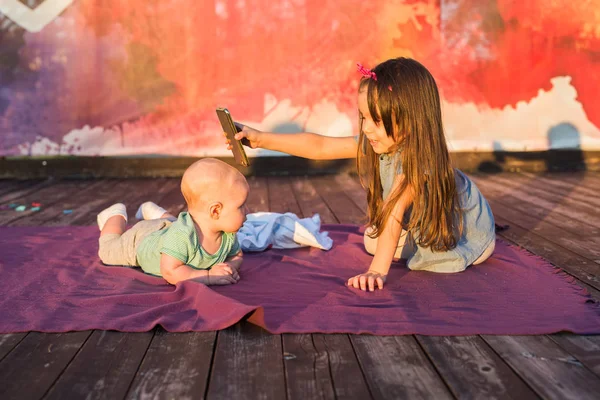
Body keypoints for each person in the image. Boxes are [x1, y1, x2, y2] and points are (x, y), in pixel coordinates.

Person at [225, 57, 495, 292]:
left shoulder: (420, 165)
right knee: (372, 240)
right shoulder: (385, 141)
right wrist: (259, 139)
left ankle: (470, 244)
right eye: (363, 118)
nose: (366, 129)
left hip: (467, 229)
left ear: (411, 122)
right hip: (419, 219)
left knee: (387, 249)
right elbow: (320, 146)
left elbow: (394, 214)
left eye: (376, 121)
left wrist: (377, 271)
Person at [97, 158, 248, 286]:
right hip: (143, 241)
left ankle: (152, 211)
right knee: (108, 251)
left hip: (169, 227)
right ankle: (115, 214)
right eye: (241, 206)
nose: (247, 210)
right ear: (215, 211)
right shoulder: (182, 236)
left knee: (172, 223)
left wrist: (229, 266)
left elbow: (236, 256)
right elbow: (170, 271)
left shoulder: (228, 234)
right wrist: (208, 276)